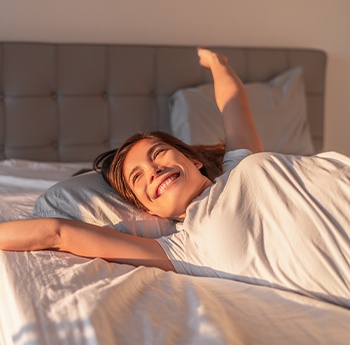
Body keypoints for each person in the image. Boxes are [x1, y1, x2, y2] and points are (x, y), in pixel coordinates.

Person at [0, 48, 349, 309]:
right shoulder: (183, 248)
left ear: (194, 160)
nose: (152, 170)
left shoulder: (242, 164)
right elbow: (58, 232)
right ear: (146, 208)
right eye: (138, 178)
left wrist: (217, 63)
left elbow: (234, 102)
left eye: (157, 154)